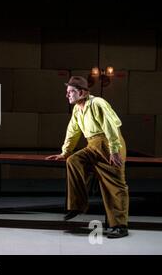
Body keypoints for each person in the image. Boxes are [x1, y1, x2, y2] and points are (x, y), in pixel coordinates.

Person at [46, 76, 129, 238]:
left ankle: (120, 226)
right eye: (67, 91)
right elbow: (73, 131)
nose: (67, 95)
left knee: (114, 184)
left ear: (82, 92)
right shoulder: (78, 109)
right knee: (73, 160)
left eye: (71, 92)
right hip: (92, 145)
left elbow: (110, 125)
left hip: (108, 143)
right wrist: (65, 152)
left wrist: (114, 149)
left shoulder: (97, 103)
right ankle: (77, 205)